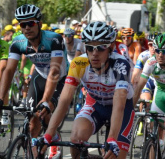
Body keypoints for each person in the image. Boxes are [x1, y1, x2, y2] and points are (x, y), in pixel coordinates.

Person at [37, 21, 134, 159]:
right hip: (96, 104)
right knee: (76, 141)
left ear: (111, 46)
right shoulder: (79, 64)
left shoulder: (121, 65)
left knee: (114, 155)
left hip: (122, 109)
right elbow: (64, 102)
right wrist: (48, 135)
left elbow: (119, 106)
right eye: (89, 47)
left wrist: (112, 138)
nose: (94, 53)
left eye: (100, 48)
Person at [0, 4, 68, 158]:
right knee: (32, 122)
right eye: (22, 24)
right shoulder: (17, 42)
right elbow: (9, 70)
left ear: (39, 24)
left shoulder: (54, 39)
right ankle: (34, 153)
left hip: (59, 78)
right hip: (39, 76)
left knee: (45, 109)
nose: (27, 28)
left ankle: (53, 136)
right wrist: (0, 98)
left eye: (31, 23)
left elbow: (54, 71)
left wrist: (46, 99)